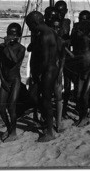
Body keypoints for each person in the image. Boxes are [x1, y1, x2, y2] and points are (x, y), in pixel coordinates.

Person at [25, 11, 60, 142]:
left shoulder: (46, 34)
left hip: (48, 70)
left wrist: (38, 74)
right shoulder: (43, 33)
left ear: (35, 23)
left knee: (45, 99)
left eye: (29, 25)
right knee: (36, 97)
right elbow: (30, 48)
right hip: (47, 70)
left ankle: (50, 132)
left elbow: (44, 59)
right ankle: (47, 123)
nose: (29, 28)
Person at [0, 23, 26, 142]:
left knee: (11, 107)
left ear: (18, 36)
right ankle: (9, 128)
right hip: (5, 80)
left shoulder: (21, 49)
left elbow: (14, 61)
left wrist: (7, 46)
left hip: (15, 80)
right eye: (9, 33)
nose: (10, 36)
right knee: (1, 108)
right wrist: (2, 80)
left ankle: (13, 133)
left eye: (14, 34)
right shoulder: (1, 46)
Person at [73, 20, 90, 126]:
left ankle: (84, 118)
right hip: (82, 70)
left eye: (78, 30)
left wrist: (87, 71)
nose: (76, 32)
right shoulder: (79, 41)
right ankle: (81, 117)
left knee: (84, 94)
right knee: (79, 94)